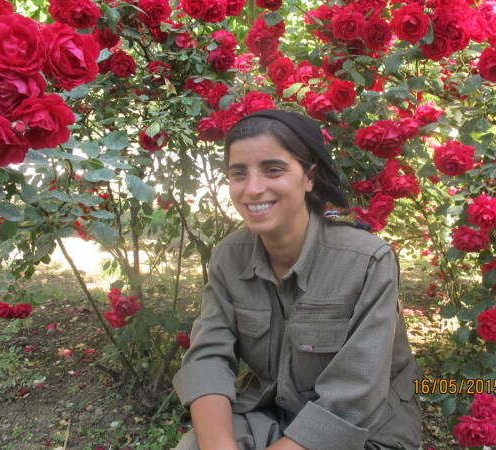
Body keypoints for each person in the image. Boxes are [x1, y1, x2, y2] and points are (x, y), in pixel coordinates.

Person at [172, 109, 422, 450]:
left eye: (273, 170)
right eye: (238, 173)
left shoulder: (368, 261)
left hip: (366, 428)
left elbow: (356, 393)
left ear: (309, 177)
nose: (253, 189)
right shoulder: (228, 257)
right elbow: (208, 357)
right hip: (270, 410)